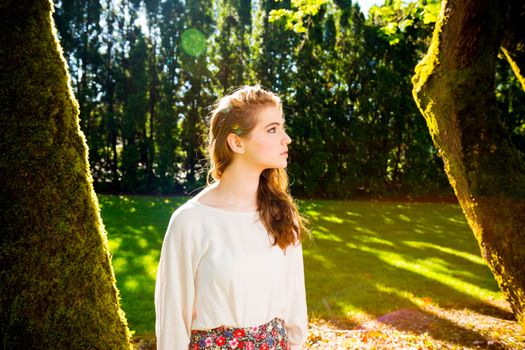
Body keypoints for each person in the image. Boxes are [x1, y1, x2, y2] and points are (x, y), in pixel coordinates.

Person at [155, 85, 310, 350]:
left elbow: (295, 308)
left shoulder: (281, 214)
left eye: (281, 127)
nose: (286, 139)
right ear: (236, 142)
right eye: (272, 129)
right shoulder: (190, 222)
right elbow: (172, 323)